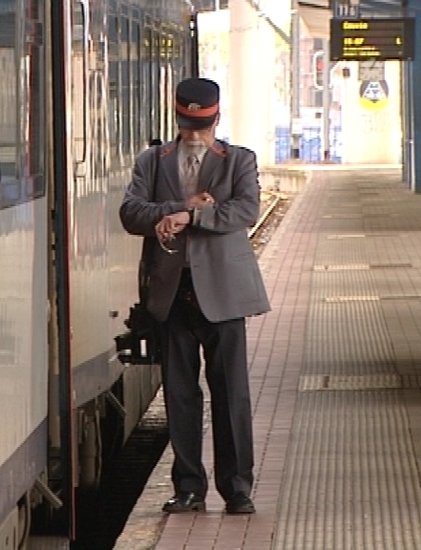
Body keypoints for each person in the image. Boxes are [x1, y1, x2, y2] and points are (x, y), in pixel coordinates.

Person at [119, 77, 270, 515]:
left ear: (216, 118)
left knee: (232, 394)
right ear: (177, 119)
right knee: (180, 395)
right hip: (171, 293)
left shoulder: (239, 160)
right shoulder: (152, 161)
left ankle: (237, 487)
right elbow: (131, 212)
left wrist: (194, 215)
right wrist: (177, 210)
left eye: (201, 127)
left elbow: (245, 210)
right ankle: (188, 487)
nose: (194, 136)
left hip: (223, 292)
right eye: (187, 126)